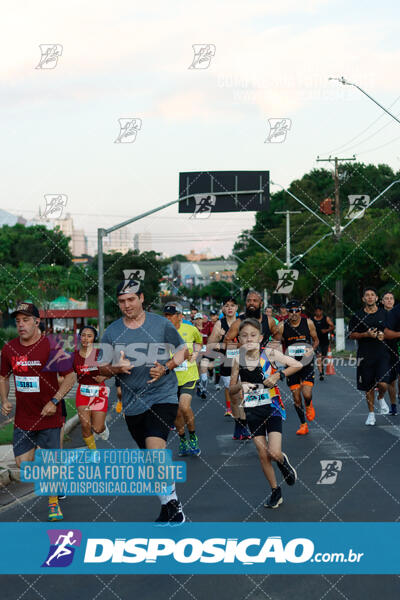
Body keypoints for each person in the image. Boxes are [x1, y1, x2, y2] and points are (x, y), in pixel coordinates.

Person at [98, 280, 187, 523]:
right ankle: (167, 505)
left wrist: (167, 367)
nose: (126, 305)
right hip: (132, 403)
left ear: (141, 298)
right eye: (122, 301)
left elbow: (182, 350)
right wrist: (115, 368)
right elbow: (101, 369)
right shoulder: (112, 332)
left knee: (154, 451)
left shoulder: (160, 324)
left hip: (163, 396)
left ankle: (175, 506)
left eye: (131, 300)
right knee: (150, 460)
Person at [0, 302, 76, 521]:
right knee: (23, 465)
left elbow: (70, 377)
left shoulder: (51, 346)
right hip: (24, 417)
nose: (21, 325)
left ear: (37, 322)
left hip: (49, 416)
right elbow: (3, 377)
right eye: (17, 321)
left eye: (26, 320)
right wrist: (4, 399)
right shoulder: (10, 348)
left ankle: (53, 503)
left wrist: (55, 401)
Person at [230, 319, 301, 508]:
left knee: (273, 452)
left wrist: (279, 375)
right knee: (262, 454)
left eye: (253, 335)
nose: (249, 339)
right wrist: (241, 385)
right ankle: (275, 491)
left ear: (261, 338)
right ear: (239, 339)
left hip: (272, 408)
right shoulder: (238, 359)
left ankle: (282, 460)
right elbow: (231, 390)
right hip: (252, 411)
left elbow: (296, 365)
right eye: (244, 336)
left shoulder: (269, 353)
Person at [225, 291, 281, 440]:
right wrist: (243, 346)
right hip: (243, 360)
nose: (251, 303)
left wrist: (272, 346)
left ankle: (267, 422)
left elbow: (277, 335)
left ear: (260, 303)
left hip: (263, 361)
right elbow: (227, 340)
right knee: (237, 394)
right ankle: (240, 423)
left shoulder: (268, 321)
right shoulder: (239, 322)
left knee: (265, 391)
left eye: (255, 301)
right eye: (249, 300)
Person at [163, 302, 202, 456]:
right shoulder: (162, 333)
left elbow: (199, 342)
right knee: (177, 413)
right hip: (170, 378)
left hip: (188, 375)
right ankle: (182, 440)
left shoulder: (191, 329)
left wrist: (196, 355)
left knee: (184, 407)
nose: (167, 318)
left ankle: (193, 437)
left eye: (170, 315)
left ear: (179, 316)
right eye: (165, 315)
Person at [349, 287, 390, 425]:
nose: (370, 297)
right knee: (368, 386)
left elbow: (392, 331)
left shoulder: (385, 314)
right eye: (367, 295)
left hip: (382, 354)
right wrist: (365, 335)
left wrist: (383, 335)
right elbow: (351, 334)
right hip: (365, 355)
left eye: (373, 295)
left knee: (383, 383)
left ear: (377, 298)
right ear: (363, 299)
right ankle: (371, 414)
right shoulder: (358, 315)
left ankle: (381, 397)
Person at [278, 299, 319, 435]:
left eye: (297, 310)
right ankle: (303, 424)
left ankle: (308, 404)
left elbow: (316, 340)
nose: (294, 313)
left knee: (306, 393)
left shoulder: (308, 323)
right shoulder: (282, 326)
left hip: (306, 362)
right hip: (290, 365)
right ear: (286, 312)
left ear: (301, 311)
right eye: (291, 311)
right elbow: (276, 341)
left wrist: (312, 349)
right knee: (296, 397)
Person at [73, 326, 110, 450]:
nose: (85, 338)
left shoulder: (99, 354)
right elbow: (67, 375)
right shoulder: (74, 355)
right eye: (83, 335)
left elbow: (113, 369)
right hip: (83, 391)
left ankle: (103, 426)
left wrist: (104, 377)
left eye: (89, 336)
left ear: (94, 338)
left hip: (99, 392)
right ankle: (93, 452)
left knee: (97, 428)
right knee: (85, 425)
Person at [207, 296, 239, 417]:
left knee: (241, 385)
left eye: (232, 305)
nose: (229, 308)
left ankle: (241, 408)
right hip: (226, 361)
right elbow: (210, 346)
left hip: (241, 360)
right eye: (226, 305)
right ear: (223, 309)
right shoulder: (220, 324)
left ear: (236, 308)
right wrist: (219, 339)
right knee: (228, 386)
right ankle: (229, 408)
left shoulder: (242, 321)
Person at [383, 291, 400, 416]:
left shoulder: (397, 313)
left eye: (391, 298)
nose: (389, 301)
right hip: (385, 350)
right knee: (391, 381)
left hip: (397, 348)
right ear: (382, 301)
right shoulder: (380, 315)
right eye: (386, 299)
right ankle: (393, 405)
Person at [193, 312, 214, 399]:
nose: (198, 321)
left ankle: (204, 389)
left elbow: (211, 338)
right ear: (194, 320)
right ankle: (199, 385)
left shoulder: (207, 328)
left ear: (202, 319)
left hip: (205, 351)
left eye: (200, 319)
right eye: (197, 319)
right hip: (196, 352)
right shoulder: (192, 329)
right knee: (197, 373)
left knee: (204, 369)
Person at [312, 306, 334, 381]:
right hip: (316, 341)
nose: (318, 312)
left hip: (325, 341)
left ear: (322, 311)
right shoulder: (311, 320)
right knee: (319, 356)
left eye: (319, 311)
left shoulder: (326, 318)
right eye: (316, 311)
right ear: (315, 312)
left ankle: (322, 369)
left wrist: (326, 330)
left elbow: (332, 326)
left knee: (323, 357)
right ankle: (321, 373)